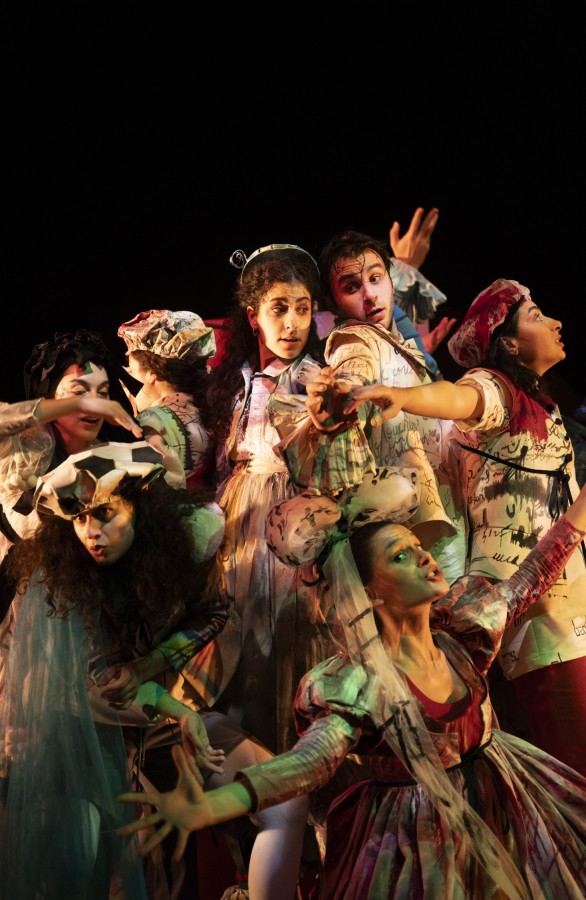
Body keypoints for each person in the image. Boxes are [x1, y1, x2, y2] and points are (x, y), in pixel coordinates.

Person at [118, 468, 586, 899]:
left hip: (504, 806)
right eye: (401, 556)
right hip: (421, 844)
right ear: (370, 594)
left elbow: (534, 572)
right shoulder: (358, 685)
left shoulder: (464, 632)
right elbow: (307, 764)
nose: (424, 557)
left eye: (416, 546)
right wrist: (213, 806)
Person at [343, 278, 586, 774]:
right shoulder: (497, 390)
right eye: (536, 316)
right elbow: (458, 397)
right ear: (509, 344)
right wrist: (404, 396)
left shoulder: (540, 405)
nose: (555, 323)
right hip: (540, 621)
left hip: (567, 606)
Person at [0, 440, 228, 900]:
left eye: (104, 514)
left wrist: (152, 666)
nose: (91, 534)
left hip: (151, 722)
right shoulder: (61, 577)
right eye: (79, 519)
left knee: (176, 845)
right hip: (77, 725)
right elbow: (102, 679)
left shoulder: (180, 554)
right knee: (89, 852)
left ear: (140, 509)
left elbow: (214, 612)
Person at [271, 228, 464, 584]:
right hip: (408, 536)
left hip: (441, 508)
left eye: (375, 279)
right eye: (351, 287)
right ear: (332, 303)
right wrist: (341, 401)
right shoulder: (355, 339)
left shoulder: (395, 342)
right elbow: (352, 372)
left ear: (390, 281)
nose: (370, 295)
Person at [0, 329, 143, 706]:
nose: (94, 403)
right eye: (79, 391)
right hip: (18, 613)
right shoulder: (26, 446)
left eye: (103, 393)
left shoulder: (108, 459)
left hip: (79, 621)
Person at [117, 309, 217, 490]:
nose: (127, 377)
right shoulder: (207, 410)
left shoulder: (152, 419)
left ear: (152, 374)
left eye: (131, 369)